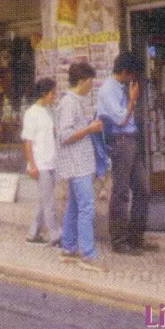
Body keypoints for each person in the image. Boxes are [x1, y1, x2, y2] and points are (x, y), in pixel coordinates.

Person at [96, 52, 155, 255]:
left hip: (132, 138)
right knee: (121, 192)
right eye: (132, 74)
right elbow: (121, 119)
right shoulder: (107, 90)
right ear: (124, 71)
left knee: (143, 188)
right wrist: (132, 101)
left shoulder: (122, 87)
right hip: (120, 141)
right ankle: (119, 241)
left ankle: (136, 236)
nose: (133, 79)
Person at [56, 62, 106, 272]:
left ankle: (68, 247)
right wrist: (90, 128)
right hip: (77, 165)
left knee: (75, 206)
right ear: (82, 81)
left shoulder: (75, 101)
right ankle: (88, 254)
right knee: (87, 207)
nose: (92, 86)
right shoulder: (69, 103)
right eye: (90, 82)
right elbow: (65, 136)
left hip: (81, 163)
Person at [22, 77, 61, 247]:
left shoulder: (49, 111)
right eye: (53, 93)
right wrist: (32, 165)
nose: (55, 96)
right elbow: (28, 143)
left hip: (51, 161)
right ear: (45, 93)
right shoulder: (32, 113)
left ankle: (33, 233)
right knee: (49, 202)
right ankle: (56, 234)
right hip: (41, 164)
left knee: (43, 200)